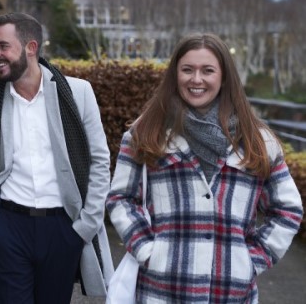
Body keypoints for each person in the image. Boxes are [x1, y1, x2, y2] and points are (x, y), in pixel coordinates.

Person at [106, 32, 303, 303]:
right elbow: (121, 198)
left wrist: (252, 260)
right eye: (187, 70)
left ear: (224, 77)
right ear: (175, 75)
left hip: (231, 294)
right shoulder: (146, 133)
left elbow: (287, 209)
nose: (196, 79)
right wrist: (148, 251)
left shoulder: (257, 140)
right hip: (162, 291)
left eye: (207, 70)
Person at [0, 12, 113, 304]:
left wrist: (84, 227)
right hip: (8, 227)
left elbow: (99, 161)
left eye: (3, 46)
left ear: (31, 47)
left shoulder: (78, 93)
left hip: (63, 227)